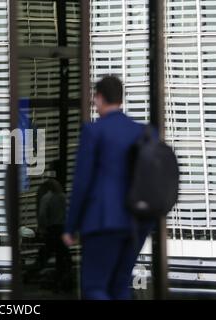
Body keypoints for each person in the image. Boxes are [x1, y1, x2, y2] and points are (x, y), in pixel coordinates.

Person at [62, 75, 154, 300]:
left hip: (103, 221)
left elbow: (82, 182)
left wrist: (70, 227)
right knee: (120, 286)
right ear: (120, 99)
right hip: (136, 222)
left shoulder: (94, 131)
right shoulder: (145, 132)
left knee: (94, 287)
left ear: (100, 98)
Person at [38, 179, 72, 292]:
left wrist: (43, 227)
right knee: (62, 256)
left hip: (52, 229)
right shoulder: (63, 196)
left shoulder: (46, 198)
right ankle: (62, 280)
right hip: (63, 228)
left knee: (49, 253)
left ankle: (51, 278)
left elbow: (42, 214)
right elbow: (68, 212)